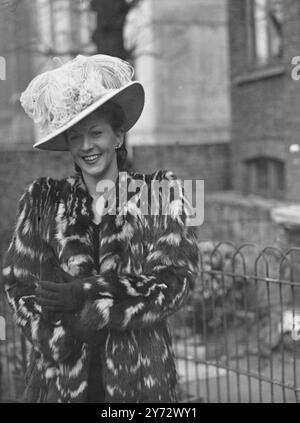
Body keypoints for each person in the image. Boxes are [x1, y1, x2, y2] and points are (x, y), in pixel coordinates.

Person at [2, 54, 200, 403]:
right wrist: (58, 336)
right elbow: (18, 285)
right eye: (75, 137)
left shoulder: (158, 195)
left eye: (96, 133)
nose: (86, 146)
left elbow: (174, 281)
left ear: (118, 137)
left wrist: (91, 300)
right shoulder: (43, 201)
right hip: (61, 381)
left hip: (140, 381)